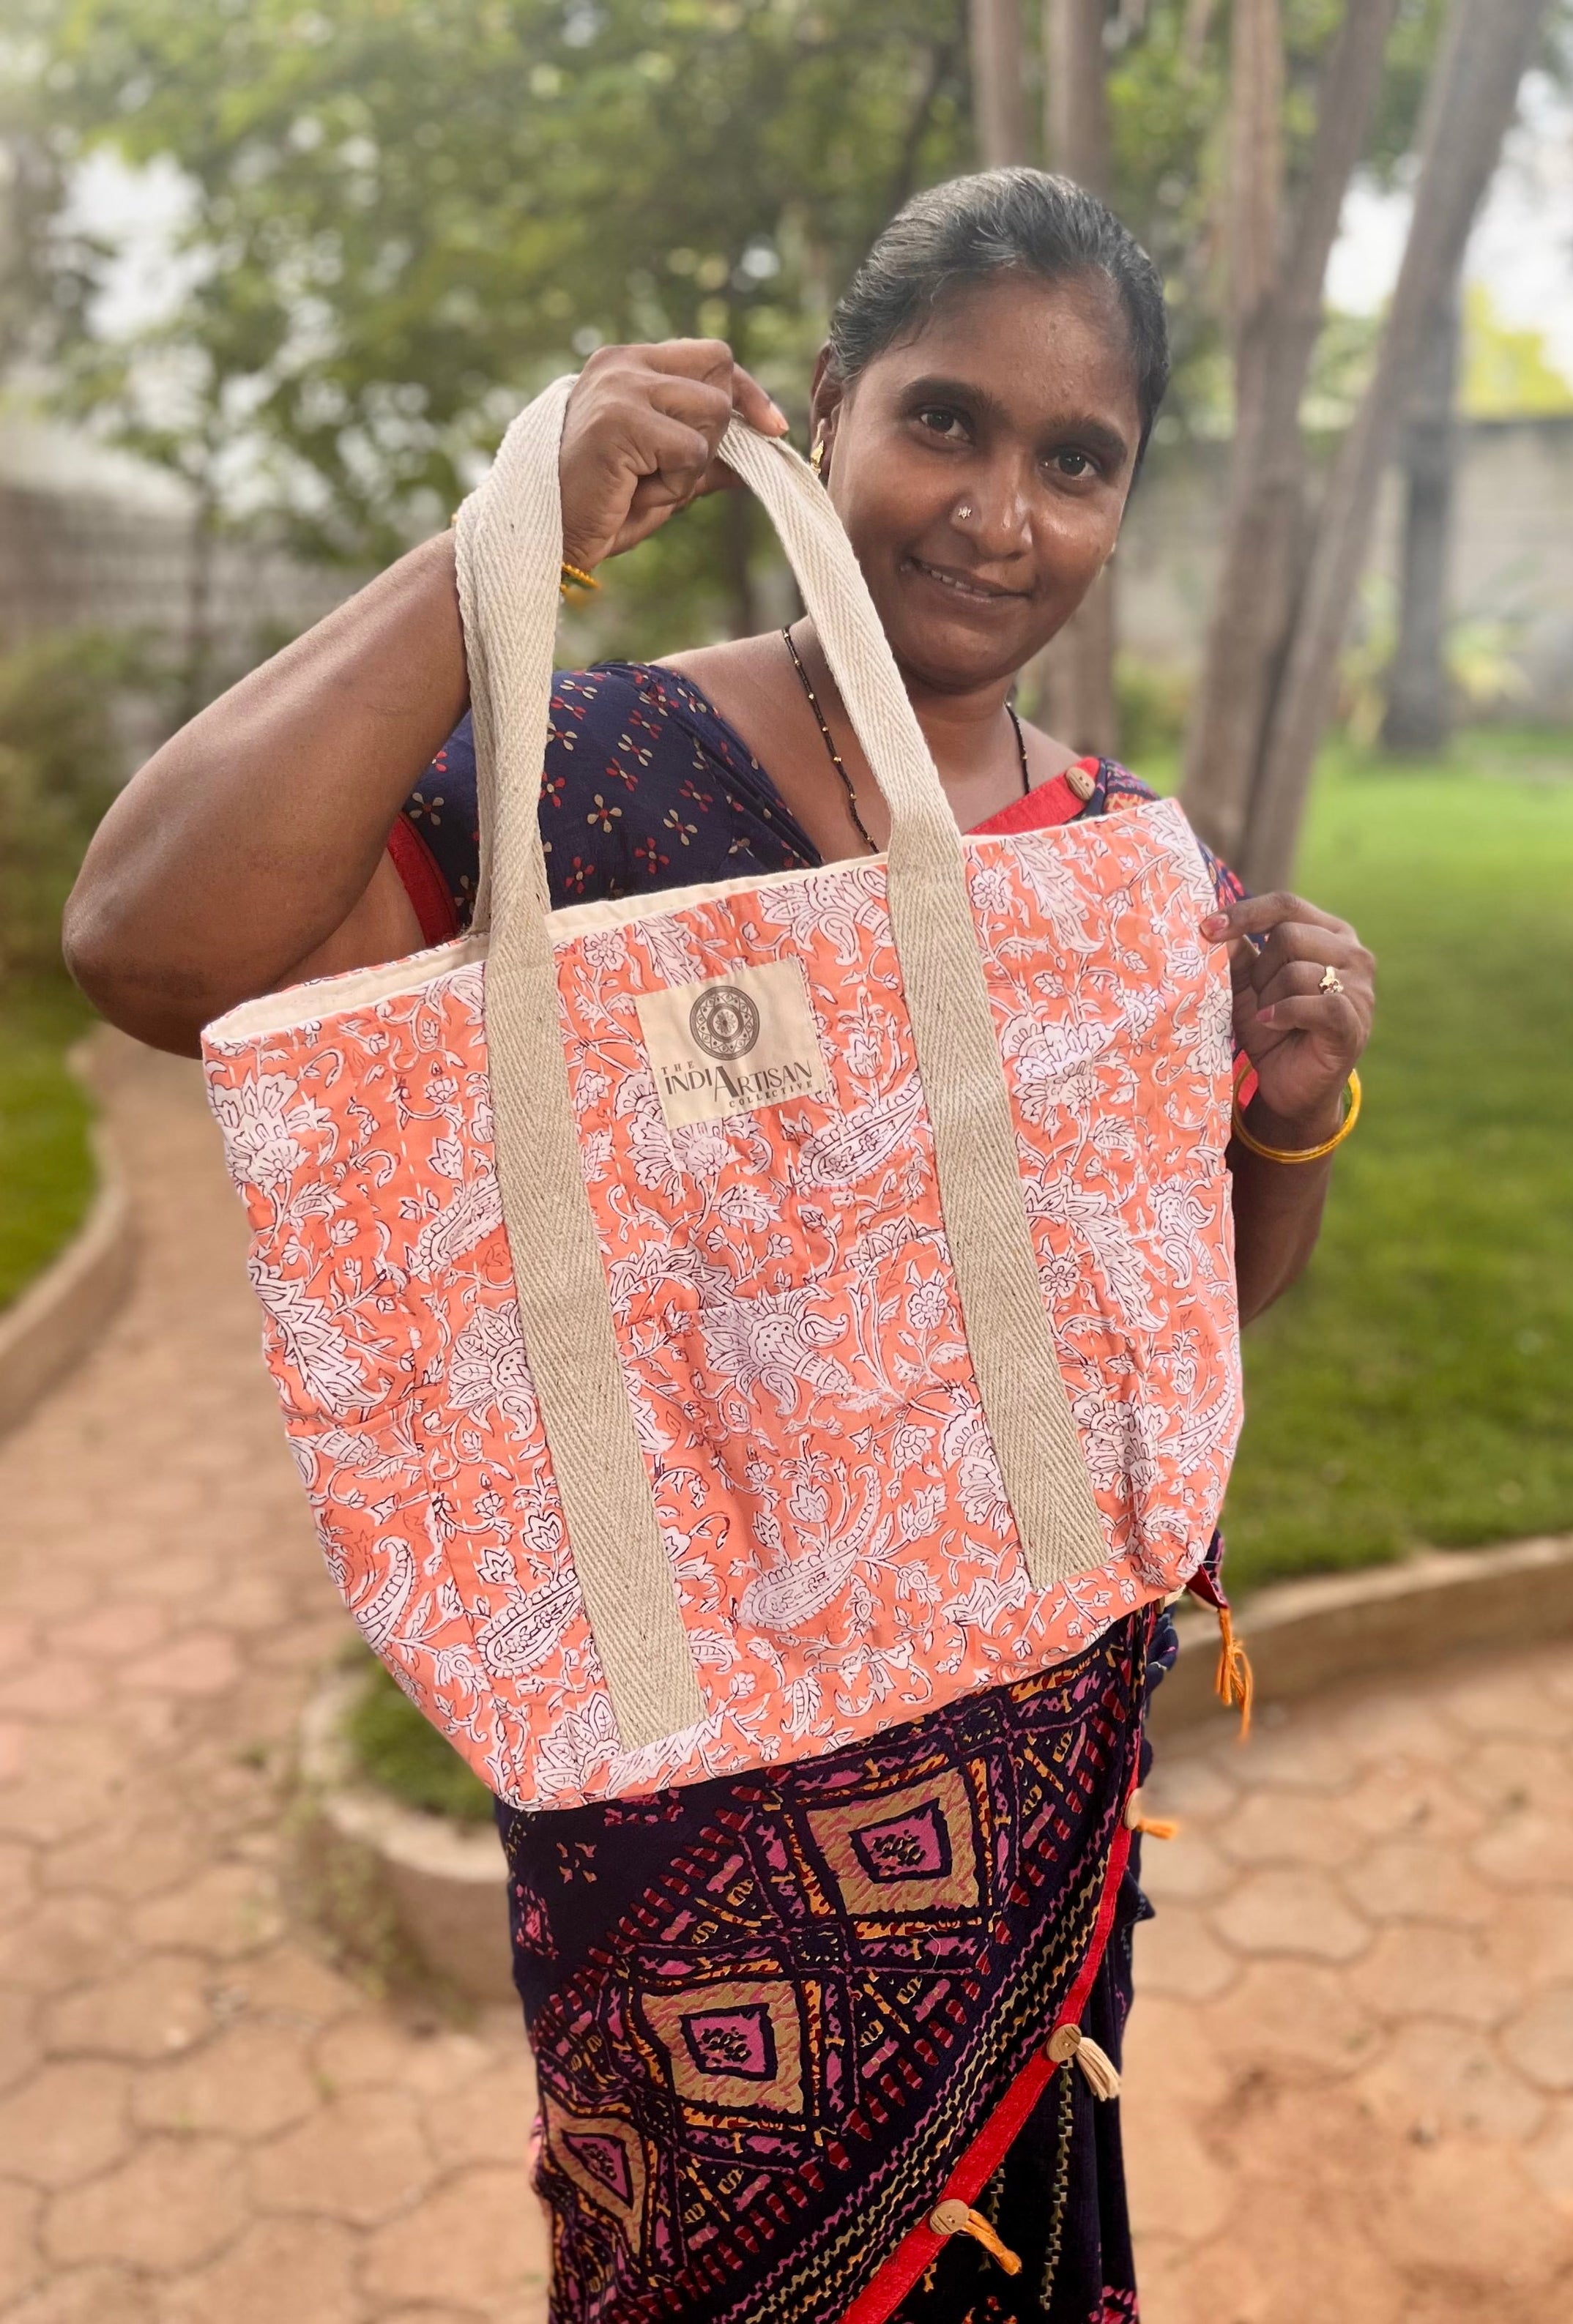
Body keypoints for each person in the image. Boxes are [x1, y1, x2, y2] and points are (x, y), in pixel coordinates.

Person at [67, 169, 1373, 2324]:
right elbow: (143, 944)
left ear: (1128, 497)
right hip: (681, 1779)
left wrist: (1301, 1115)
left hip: (1034, 1747)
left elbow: (1184, 1318)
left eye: (1078, 461)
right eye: (945, 422)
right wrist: (515, 541)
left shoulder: (1117, 866)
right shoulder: (585, 783)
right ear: (832, 409)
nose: (998, 514)